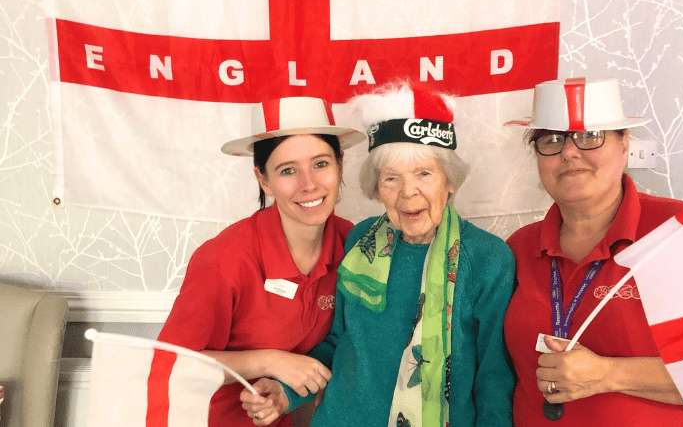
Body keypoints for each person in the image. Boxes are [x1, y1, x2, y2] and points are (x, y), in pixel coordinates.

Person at [242, 80, 516, 427]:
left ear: (450, 180)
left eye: (424, 173)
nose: (408, 193)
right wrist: (287, 391)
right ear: (376, 187)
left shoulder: (489, 260)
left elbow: (495, 380)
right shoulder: (362, 239)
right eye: (391, 178)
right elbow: (339, 341)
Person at [158, 96, 365, 427]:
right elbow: (171, 363)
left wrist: (283, 389)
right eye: (287, 170)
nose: (309, 183)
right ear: (264, 179)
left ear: (340, 164)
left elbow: (342, 339)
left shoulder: (352, 243)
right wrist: (269, 361)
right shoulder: (224, 260)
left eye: (321, 163)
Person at [503, 77, 683, 425]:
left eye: (590, 136)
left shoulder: (681, 229)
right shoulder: (517, 247)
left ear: (624, 144)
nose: (569, 151)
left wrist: (608, 374)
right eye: (551, 139)